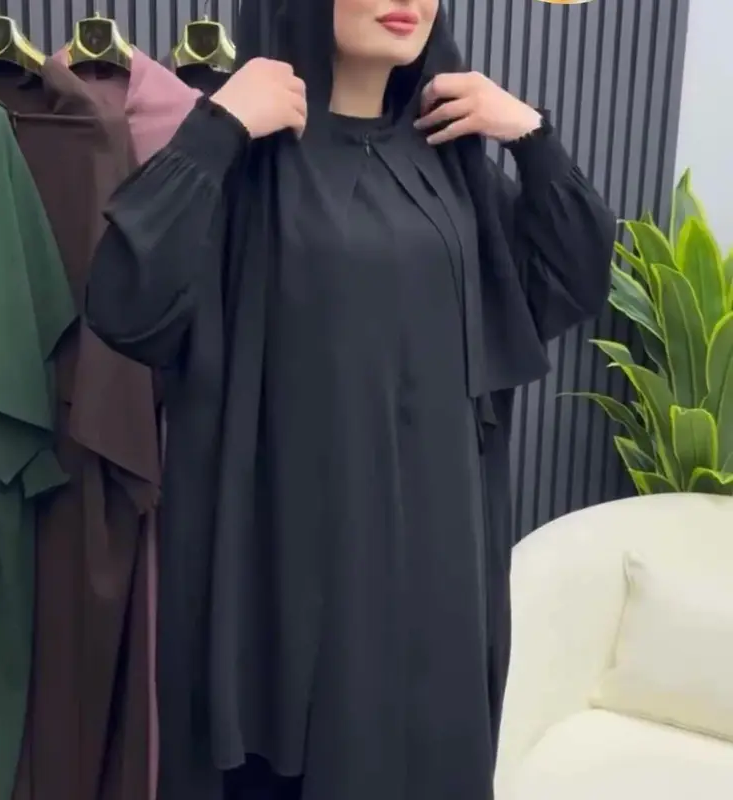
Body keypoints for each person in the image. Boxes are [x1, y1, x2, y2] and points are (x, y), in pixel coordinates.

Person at [86, 1, 616, 799]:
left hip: (436, 580)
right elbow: (127, 304)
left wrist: (531, 136)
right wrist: (216, 128)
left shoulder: (451, 166)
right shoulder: (250, 161)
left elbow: (573, 275)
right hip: (292, 583)